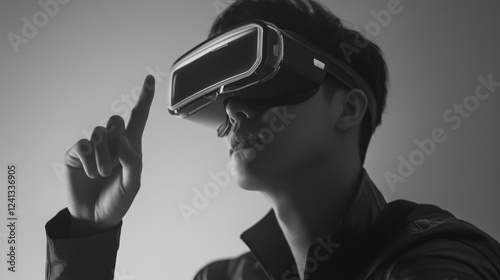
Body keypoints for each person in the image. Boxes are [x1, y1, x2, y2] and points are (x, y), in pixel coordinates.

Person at [45, 0, 500, 279]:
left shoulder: (434, 254)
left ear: (348, 108)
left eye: (265, 82)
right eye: (224, 99)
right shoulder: (220, 279)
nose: (235, 110)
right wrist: (89, 235)